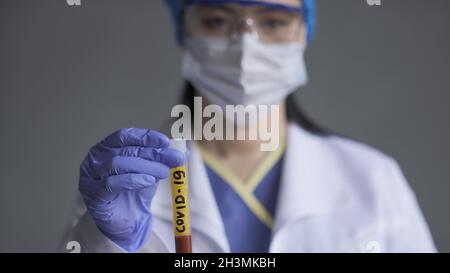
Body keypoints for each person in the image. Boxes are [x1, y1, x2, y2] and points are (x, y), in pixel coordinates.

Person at [63, 0, 436, 253]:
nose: (245, 43)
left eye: (273, 20)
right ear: (184, 32)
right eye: (217, 20)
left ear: (304, 30)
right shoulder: (127, 185)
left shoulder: (373, 180)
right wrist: (111, 244)